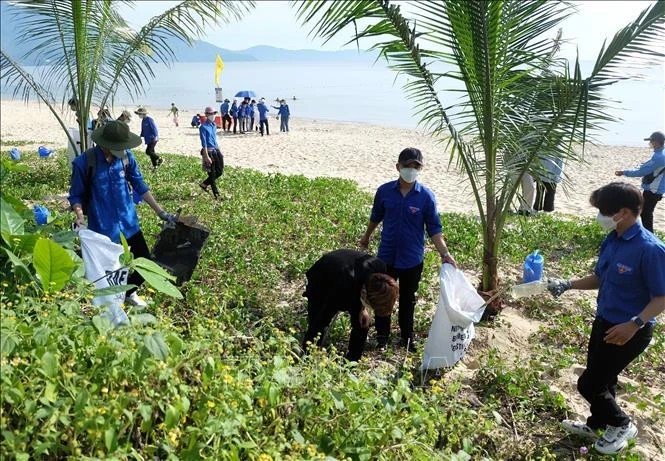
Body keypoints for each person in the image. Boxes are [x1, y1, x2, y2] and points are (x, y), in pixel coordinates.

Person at [547, 182, 665, 455]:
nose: (599, 215)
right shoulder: (612, 239)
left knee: (589, 383)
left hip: (630, 328)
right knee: (605, 379)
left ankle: (622, 425)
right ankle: (598, 423)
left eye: (603, 210)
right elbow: (600, 277)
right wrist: (568, 284)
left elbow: (661, 298)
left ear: (622, 212)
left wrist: (634, 324)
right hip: (604, 321)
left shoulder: (650, 249)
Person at [68, 121, 177, 306]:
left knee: (145, 262)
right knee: (111, 270)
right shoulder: (85, 163)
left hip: (129, 223)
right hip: (103, 228)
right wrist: (79, 216)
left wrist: (161, 212)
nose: (121, 151)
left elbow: (139, 185)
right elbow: (76, 195)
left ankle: (127, 293)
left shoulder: (126, 157)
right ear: (103, 144)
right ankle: (110, 302)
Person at [359, 148, 457, 351]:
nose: (411, 170)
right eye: (407, 166)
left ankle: (406, 337)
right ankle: (382, 337)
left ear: (420, 169)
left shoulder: (426, 197)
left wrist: (445, 254)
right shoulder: (384, 191)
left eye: (416, 166)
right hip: (386, 257)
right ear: (398, 167)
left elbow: (434, 229)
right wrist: (366, 237)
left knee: (407, 299)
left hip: (412, 259)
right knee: (382, 296)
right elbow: (375, 216)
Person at [302, 249, 399, 361]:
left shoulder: (380, 269)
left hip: (348, 274)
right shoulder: (343, 290)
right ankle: (308, 356)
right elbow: (331, 305)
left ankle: (353, 360)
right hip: (324, 276)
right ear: (365, 295)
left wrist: (363, 309)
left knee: (362, 323)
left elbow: (362, 295)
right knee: (319, 321)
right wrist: (360, 308)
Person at [615, 131, 665, 233]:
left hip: (653, 191)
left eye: (651, 141)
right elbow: (646, 167)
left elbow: (641, 171)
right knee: (645, 212)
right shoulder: (661, 153)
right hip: (657, 189)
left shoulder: (659, 157)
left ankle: (649, 237)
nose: (650, 143)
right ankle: (647, 235)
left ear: (656, 142)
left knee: (646, 214)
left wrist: (623, 172)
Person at [198, 107, 224, 199]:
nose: (213, 115)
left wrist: (219, 150)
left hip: (216, 149)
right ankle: (216, 195)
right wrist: (206, 156)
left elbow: (214, 139)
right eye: (211, 114)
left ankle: (204, 184)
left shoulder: (214, 125)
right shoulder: (203, 127)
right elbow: (204, 143)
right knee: (212, 174)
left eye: (214, 113)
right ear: (206, 115)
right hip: (208, 151)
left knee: (220, 171)